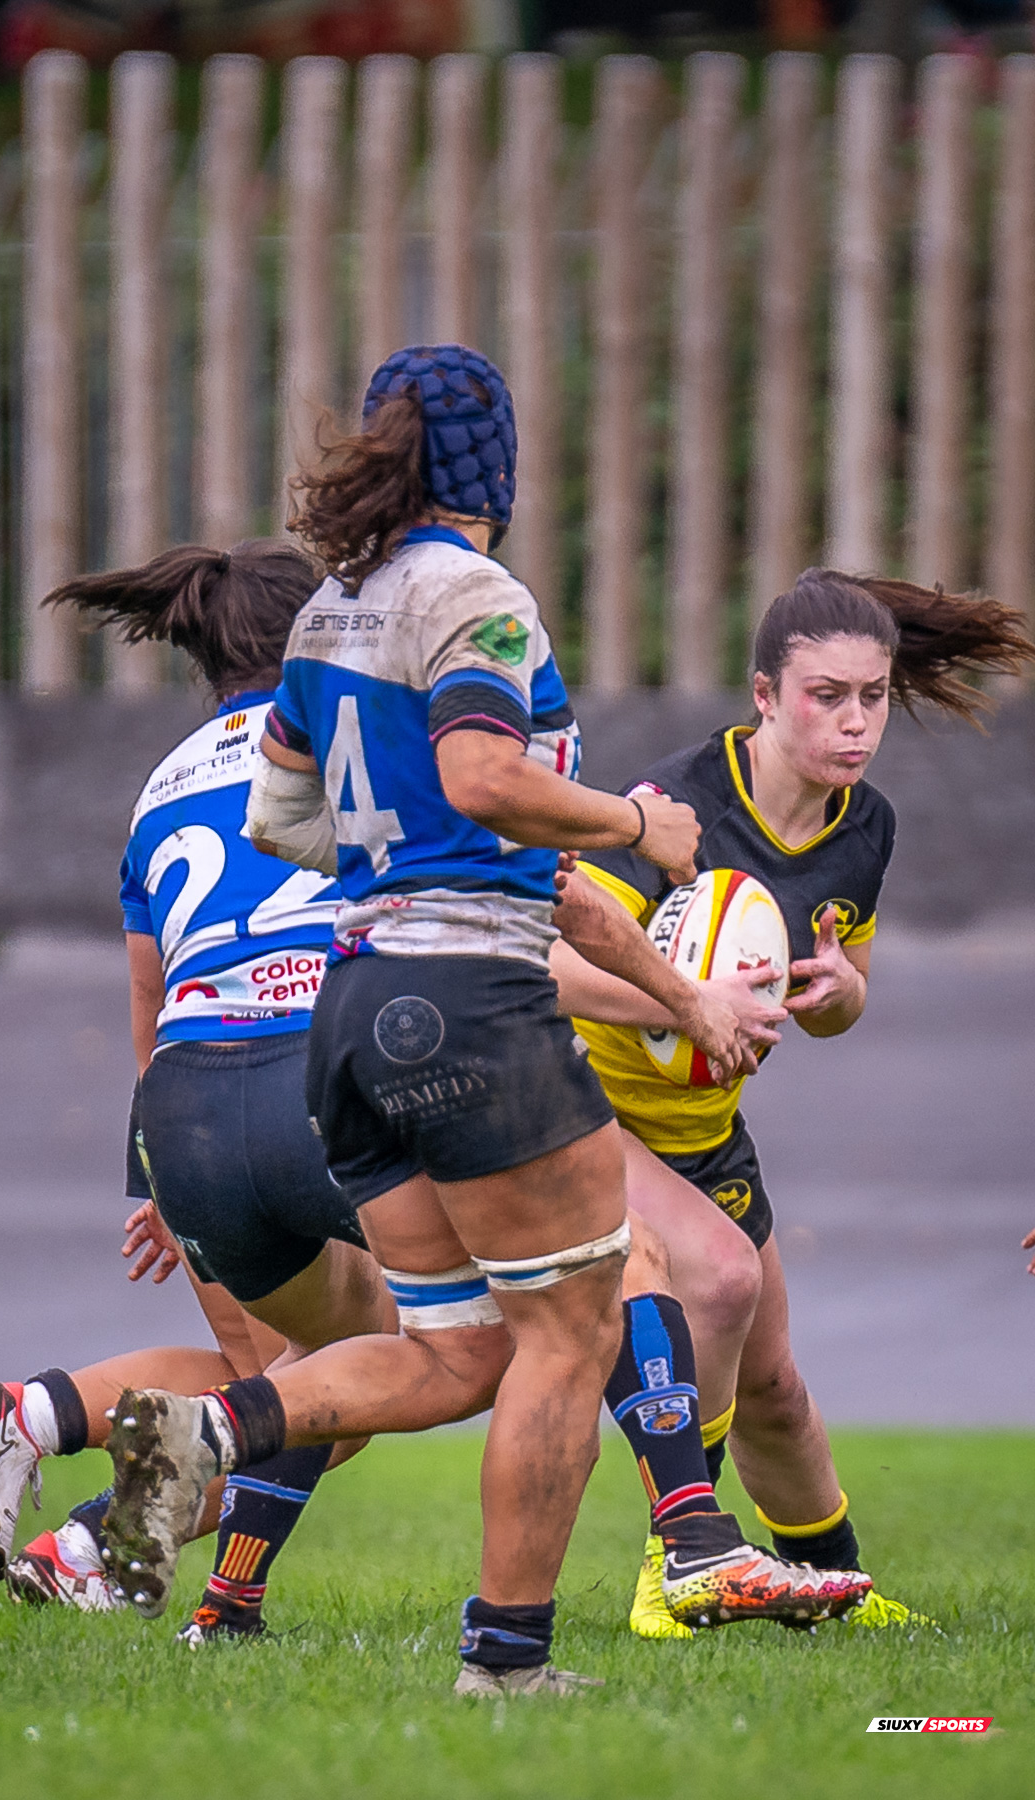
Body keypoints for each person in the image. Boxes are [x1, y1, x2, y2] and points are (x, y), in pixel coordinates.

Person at [98, 347, 869, 1697]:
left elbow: (285, 815)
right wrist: (638, 825)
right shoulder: (477, 595)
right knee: (589, 1316)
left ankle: (218, 1430)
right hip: (467, 1007)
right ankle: (538, 1643)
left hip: (347, 1011)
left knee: (458, 1349)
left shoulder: (334, 609)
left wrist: (401, 860)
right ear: (493, 462)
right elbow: (480, 768)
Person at [566, 566, 1035, 1638]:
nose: (857, 720)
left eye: (872, 696)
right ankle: (679, 1567)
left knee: (773, 1383)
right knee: (721, 1280)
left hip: (705, 1133)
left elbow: (835, 1006)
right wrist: (683, 1002)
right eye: (828, 695)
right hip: (588, 1113)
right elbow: (546, 959)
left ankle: (835, 1591)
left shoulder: (863, 829)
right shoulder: (676, 807)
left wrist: (843, 990)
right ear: (765, 695)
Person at [0, 539, 398, 1642]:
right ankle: (210, 1603)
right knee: (338, 1383)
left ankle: (36, 1425)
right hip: (316, 1081)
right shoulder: (342, 742)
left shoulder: (163, 787)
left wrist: (155, 1176)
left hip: (190, 1110)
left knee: (274, 1391)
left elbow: (153, 1010)